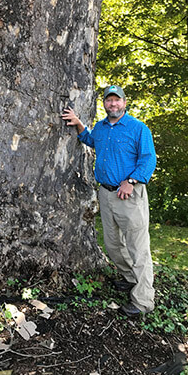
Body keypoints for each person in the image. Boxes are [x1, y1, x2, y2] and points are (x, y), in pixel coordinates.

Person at [62, 85, 157, 317]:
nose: (113, 104)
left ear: (124, 103)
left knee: (138, 248)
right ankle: (130, 278)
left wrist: (131, 181)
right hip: (106, 194)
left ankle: (143, 300)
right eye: (109, 101)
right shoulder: (102, 128)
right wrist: (77, 122)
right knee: (113, 245)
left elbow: (148, 160)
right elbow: (89, 139)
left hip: (129, 195)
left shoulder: (138, 129)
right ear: (104, 104)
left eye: (117, 100)